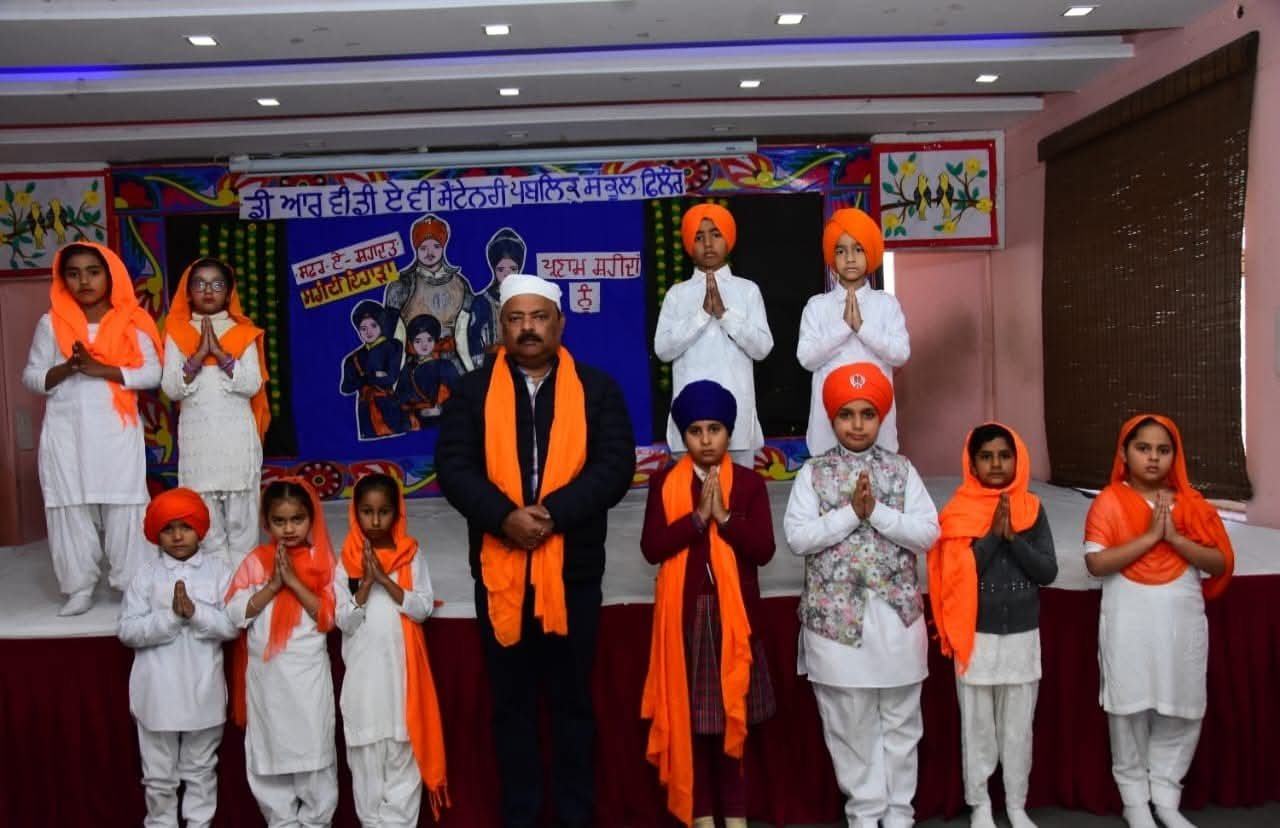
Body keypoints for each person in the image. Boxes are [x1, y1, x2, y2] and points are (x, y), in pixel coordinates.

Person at [436, 273, 636, 828]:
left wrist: (552, 516)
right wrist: (504, 517)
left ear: (559, 323)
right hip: (500, 574)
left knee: (573, 704)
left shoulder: (597, 390)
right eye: (516, 319)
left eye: (538, 317)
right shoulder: (471, 392)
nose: (528, 328)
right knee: (511, 707)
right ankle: (520, 816)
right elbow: (454, 467)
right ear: (501, 327)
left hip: (572, 575)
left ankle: (575, 817)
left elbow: (614, 466)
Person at [782, 362, 939, 828]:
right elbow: (798, 538)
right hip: (835, 630)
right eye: (846, 414)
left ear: (881, 417)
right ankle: (865, 815)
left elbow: (928, 533)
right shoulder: (813, 473)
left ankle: (899, 815)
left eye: (867, 414)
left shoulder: (902, 470)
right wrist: (852, 513)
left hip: (897, 624)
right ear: (832, 418)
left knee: (902, 725)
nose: (856, 424)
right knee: (849, 728)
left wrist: (878, 513)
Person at [1083, 415, 1233, 828]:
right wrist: (1150, 537)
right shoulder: (1110, 501)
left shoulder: (1191, 504)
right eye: (1143, 448)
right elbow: (1096, 563)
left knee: (1181, 707)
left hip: (1180, 622)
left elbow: (1219, 562)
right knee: (1128, 708)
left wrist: (1175, 539)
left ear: (1175, 456)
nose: (1153, 457)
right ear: (1124, 453)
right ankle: (1134, 800)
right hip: (1128, 620)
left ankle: (1167, 796)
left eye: (1163, 450)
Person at [640, 380, 776, 828]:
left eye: (714, 429)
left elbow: (763, 550)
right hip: (686, 623)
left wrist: (725, 519)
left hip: (735, 624)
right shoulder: (663, 484)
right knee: (693, 728)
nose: (705, 440)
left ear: (729, 433)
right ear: (683, 436)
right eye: (695, 431)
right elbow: (652, 547)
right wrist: (698, 519)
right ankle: (699, 815)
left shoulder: (750, 485)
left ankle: (735, 816)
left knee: (733, 727)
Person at [22, 241, 163, 616]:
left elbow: (153, 373)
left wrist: (102, 370)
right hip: (65, 431)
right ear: (63, 280)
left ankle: (132, 585)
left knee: (124, 504)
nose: (84, 281)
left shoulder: (133, 321)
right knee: (69, 503)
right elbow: (32, 377)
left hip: (116, 430)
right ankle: (78, 587)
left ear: (110, 275)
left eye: (93, 272)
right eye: (73, 273)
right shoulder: (51, 323)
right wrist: (68, 368)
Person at [927, 423, 1058, 828]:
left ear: (1018, 460)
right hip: (975, 637)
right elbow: (958, 576)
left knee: (1018, 728)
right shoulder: (958, 512)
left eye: (1004, 455)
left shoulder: (1032, 509)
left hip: (1022, 635)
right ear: (972, 464)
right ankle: (980, 804)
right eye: (986, 457)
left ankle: (1017, 804)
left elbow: (1047, 571)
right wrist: (993, 537)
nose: (996, 464)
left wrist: (1014, 538)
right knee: (978, 727)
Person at [119, 487, 238, 828]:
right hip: (156, 695)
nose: (177, 536)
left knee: (201, 771)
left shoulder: (219, 572)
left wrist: (195, 613)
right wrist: (171, 618)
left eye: (185, 526)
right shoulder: (146, 575)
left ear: (199, 528)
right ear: (155, 534)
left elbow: (232, 627)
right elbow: (127, 631)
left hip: (203, 691)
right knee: (158, 778)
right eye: (168, 528)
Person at [225, 479, 339, 828]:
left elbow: (329, 617)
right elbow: (235, 614)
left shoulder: (322, 561)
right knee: (270, 758)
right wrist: (273, 585)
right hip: (268, 678)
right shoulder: (256, 562)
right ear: (266, 522)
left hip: (307, 676)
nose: (289, 529)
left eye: (297, 519)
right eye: (279, 521)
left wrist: (293, 583)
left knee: (314, 753)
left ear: (311, 518)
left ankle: (316, 821)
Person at [337, 473, 449, 826]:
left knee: (402, 776)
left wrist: (386, 581)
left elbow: (422, 608)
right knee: (367, 780)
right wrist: (365, 585)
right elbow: (343, 621)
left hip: (403, 690)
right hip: (364, 693)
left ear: (396, 513)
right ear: (355, 513)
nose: (375, 521)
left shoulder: (411, 556)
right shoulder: (346, 561)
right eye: (367, 512)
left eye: (383, 512)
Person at [161, 257, 269, 565]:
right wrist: (197, 357)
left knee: (241, 517)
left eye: (217, 284)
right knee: (204, 516)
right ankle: (216, 583)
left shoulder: (243, 333)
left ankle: (244, 582)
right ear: (188, 292)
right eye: (200, 284)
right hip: (199, 442)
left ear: (229, 291)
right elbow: (171, 388)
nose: (208, 291)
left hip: (236, 439)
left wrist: (221, 355)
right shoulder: (176, 333)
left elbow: (251, 385)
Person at [655, 203, 773, 467]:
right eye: (699, 237)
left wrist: (724, 315)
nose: (708, 243)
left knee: (738, 491)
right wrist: (701, 316)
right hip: (691, 422)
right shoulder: (677, 295)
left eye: (716, 234)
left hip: (738, 425)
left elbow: (762, 348)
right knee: (691, 492)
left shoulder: (747, 290)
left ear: (728, 240)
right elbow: (662, 350)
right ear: (689, 244)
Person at [797, 207, 909, 455]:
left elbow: (900, 354)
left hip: (877, 423)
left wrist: (862, 327)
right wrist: (843, 327)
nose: (849, 258)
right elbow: (806, 358)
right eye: (841, 250)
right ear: (832, 256)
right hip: (827, 427)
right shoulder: (817, 306)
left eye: (858, 249)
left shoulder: (887, 304)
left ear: (870, 252)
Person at [385, 213, 475, 370]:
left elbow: (468, 330)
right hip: (416, 364)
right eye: (423, 248)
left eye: (436, 246)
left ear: (443, 247)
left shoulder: (460, 284)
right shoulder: (402, 285)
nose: (429, 252)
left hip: (452, 363)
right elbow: (392, 335)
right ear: (416, 248)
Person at [458, 226, 528, 371]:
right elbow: (473, 337)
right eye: (501, 269)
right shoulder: (483, 302)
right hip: (491, 366)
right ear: (494, 269)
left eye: (513, 269)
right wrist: (481, 368)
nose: (507, 274)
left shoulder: (528, 301)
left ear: (520, 268)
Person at [341, 299, 404, 439]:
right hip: (365, 411)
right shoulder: (352, 358)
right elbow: (346, 388)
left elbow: (391, 378)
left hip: (389, 408)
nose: (368, 332)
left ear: (381, 325)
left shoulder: (393, 346)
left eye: (373, 325)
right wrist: (372, 376)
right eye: (363, 328)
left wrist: (363, 379)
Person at [395, 314, 460, 429]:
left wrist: (440, 409)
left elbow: (459, 395)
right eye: (418, 341)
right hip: (415, 422)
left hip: (443, 421)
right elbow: (400, 398)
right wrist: (417, 410)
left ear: (435, 341)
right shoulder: (407, 369)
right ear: (411, 343)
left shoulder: (445, 366)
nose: (424, 345)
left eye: (429, 340)